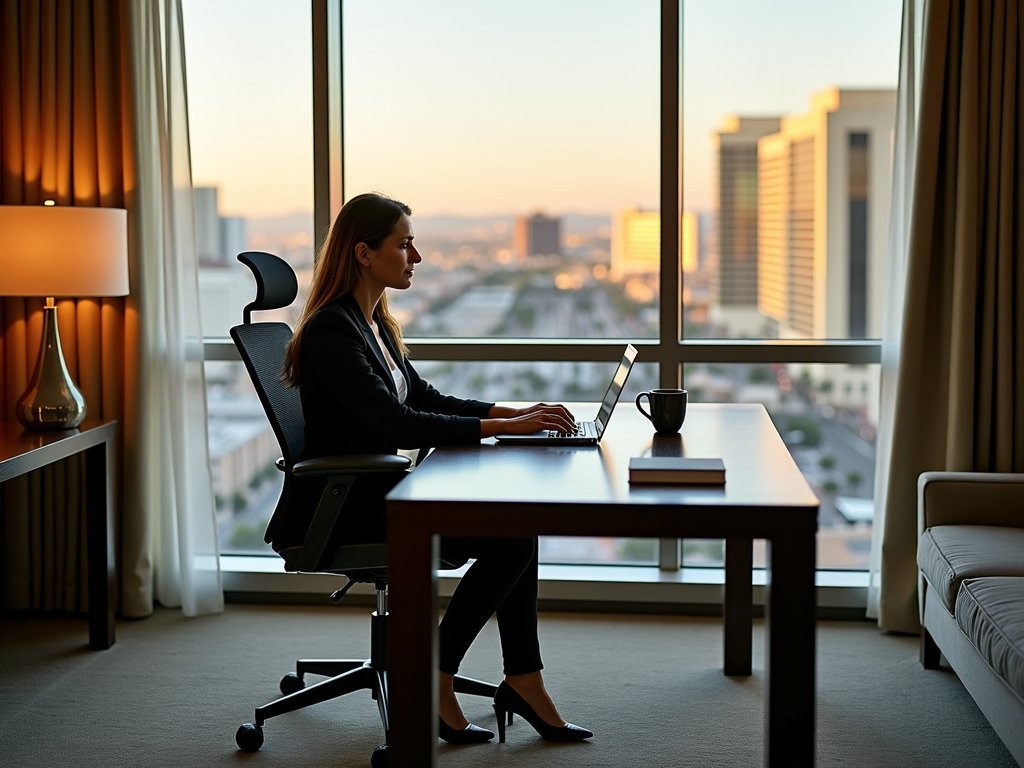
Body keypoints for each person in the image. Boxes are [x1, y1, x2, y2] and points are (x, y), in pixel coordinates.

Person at [281, 192, 592, 745]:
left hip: (383, 489)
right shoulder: (333, 331)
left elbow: (423, 396)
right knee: (513, 540)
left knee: (518, 529)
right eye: (404, 244)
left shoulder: (371, 321)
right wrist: (506, 429)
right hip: (347, 506)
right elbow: (395, 425)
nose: (416, 256)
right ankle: (434, 673)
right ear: (363, 253)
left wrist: (513, 414)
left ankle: (522, 678)